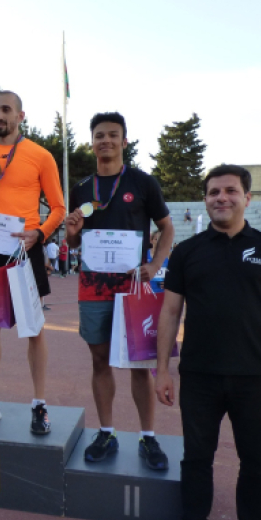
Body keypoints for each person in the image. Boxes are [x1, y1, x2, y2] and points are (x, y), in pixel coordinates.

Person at [155, 164, 261, 520]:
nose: (221, 197)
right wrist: (162, 369)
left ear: (247, 198)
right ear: (205, 199)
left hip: (252, 377)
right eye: (214, 192)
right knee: (196, 458)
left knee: (255, 462)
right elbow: (170, 312)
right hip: (199, 376)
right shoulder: (188, 251)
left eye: (230, 191)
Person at [65, 111, 175, 467]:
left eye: (113, 135)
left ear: (124, 141)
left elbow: (167, 228)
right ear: (92, 143)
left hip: (133, 288)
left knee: (139, 364)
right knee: (99, 360)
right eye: (100, 135)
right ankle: (106, 432)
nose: (106, 141)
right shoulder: (82, 188)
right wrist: (70, 232)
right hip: (93, 286)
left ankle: (148, 437)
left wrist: (155, 265)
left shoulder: (143, 183)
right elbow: (74, 239)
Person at [0, 90, 65, 435]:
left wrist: (40, 233)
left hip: (25, 248)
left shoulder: (40, 156)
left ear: (20, 116)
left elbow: (59, 208)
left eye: (6, 109)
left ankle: (39, 404)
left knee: (33, 328)